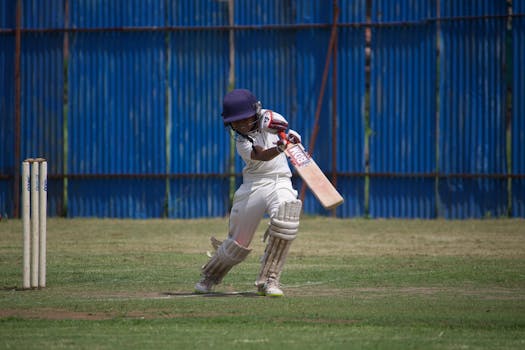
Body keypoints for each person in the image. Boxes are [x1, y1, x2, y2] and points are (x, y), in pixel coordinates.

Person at [194, 88, 303, 297]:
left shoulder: (271, 117)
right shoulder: (243, 142)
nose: (242, 125)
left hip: (281, 180)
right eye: (236, 122)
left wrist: (289, 138)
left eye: (245, 119)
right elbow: (262, 155)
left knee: (286, 219)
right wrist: (281, 147)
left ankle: (269, 280)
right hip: (254, 185)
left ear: (256, 112)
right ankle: (210, 275)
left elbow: (281, 126)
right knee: (238, 243)